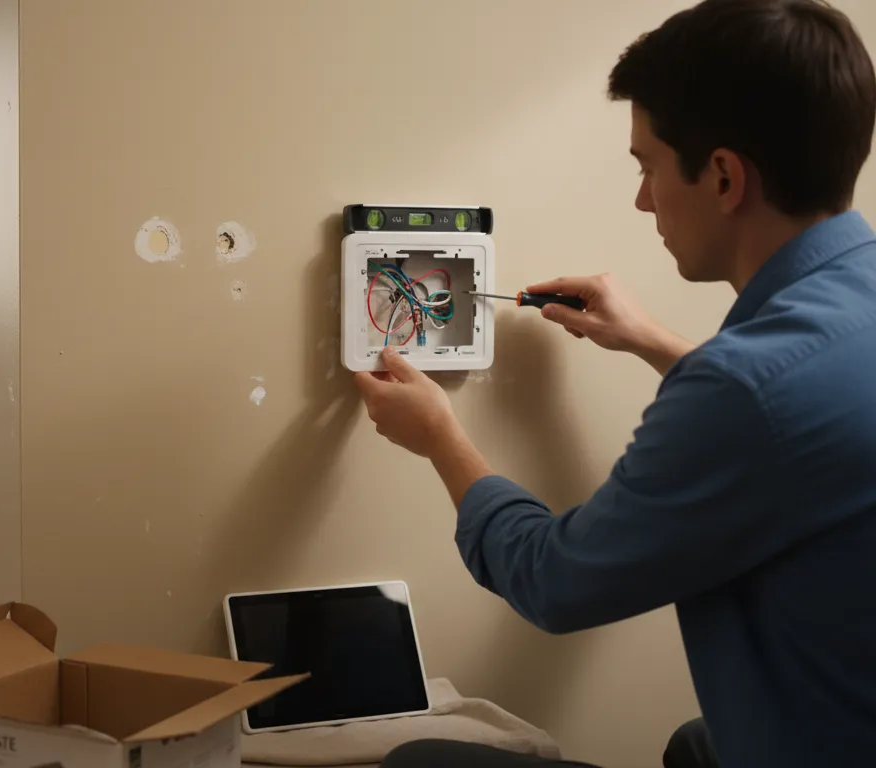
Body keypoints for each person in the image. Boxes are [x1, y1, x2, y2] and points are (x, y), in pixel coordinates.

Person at [352, 1, 876, 767]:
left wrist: (441, 438)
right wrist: (654, 342)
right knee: (695, 745)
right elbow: (801, 413)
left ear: (724, 176)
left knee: (419, 762)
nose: (642, 199)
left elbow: (554, 581)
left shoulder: (742, 393)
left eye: (648, 167)